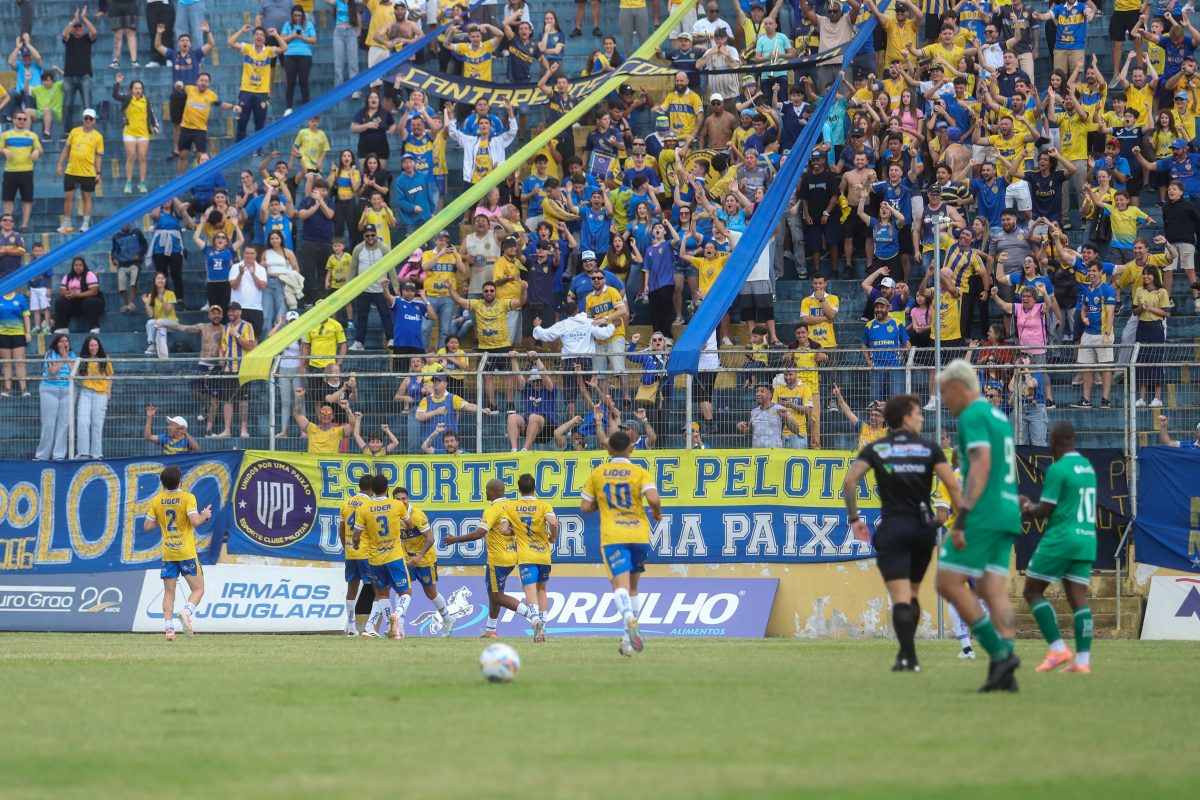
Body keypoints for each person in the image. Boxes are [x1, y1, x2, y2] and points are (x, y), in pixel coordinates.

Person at [843, 394, 962, 672]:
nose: (922, 418)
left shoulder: (878, 449)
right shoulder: (930, 449)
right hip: (923, 529)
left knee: (900, 598)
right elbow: (954, 488)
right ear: (906, 418)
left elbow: (850, 481)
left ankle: (908, 657)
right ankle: (908, 655)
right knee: (914, 594)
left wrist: (854, 518)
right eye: (919, 413)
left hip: (893, 527)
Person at [935, 359, 1024, 693]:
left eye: (945, 393)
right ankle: (1006, 671)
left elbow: (982, 464)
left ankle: (999, 653)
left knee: (947, 580)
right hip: (1007, 509)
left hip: (983, 512)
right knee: (992, 589)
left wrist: (965, 517)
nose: (945, 401)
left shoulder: (971, 414)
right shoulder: (998, 416)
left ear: (958, 387)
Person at [1020, 422, 1097, 675]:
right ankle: (1083, 661)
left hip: (1062, 537)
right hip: (1086, 538)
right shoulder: (1087, 467)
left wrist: (1028, 507)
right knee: (1078, 598)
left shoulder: (1058, 469)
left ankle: (1057, 649)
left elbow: (1045, 510)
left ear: (1054, 442)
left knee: (1032, 591)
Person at [580, 430, 662, 656]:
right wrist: (656, 512)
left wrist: (601, 501)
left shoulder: (598, 473)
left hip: (614, 537)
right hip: (639, 535)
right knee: (634, 588)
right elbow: (654, 498)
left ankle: (628, 618)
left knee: (620, 587)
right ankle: (627, 640)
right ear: (632, 448)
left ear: (608, 449)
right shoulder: (639, 472)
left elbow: (585, 508)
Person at [443, 478, 543, 638]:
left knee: (497, 596)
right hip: (513, 556)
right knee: (494, 594)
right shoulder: (512, 505)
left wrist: (454, 539)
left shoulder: (493, 509)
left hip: (498, 559)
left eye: (487, 490)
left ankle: (534, 617)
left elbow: (479, 533)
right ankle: (491, 630)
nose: (485, 493)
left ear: (493, 492)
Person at [143, 465, 213, 640]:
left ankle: (169, 629)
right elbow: (195, 521)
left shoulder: (157, 500)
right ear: (180, 481)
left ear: (163, 483)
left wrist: (163, 519)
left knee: (169, 592)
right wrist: (205, 514)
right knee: (198, 589)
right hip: (186, 552)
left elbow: (147, 526)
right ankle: (186, 612)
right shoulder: (188, 497)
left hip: (169, 553)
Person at [351, 473, 413, 639]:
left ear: (373, 489)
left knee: (382, 594)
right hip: (394, 556)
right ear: (387, 488)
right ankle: (397, 614)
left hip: (375, 559)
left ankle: (389, 627)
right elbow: (410, 524)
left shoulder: (364, 509)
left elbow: (356, 536)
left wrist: (356, 545)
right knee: (406, 592)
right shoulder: (396, 505)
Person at [393, 486, 455, 638]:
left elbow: (430, 538)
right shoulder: (393, 516)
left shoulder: (418, 516)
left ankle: (448, 620)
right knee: (402, 590)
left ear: (408, 499)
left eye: (404, 499)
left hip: (425, 559)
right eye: (397, 499)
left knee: (431, 593)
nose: (401, 502)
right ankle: (399, 626)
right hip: (406, 559)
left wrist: (419, 556)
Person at [505, 473, 557, 643]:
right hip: (543, 554)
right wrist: (553, 537)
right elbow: (553, 523)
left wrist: (516, 530)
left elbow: (504, 530)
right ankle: (544, 625)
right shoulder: (543, 505)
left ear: (519, 490)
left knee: (529, 590)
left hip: (526, 555)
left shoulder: (511, 507)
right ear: (535, 488)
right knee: (542, 589)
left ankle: (535, 620)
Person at [227, 23, 285, 146]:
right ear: (253, 37)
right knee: (242, 121)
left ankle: (257, 150)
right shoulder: (247, 48)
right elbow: (230, 42)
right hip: (246, 91)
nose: (259, 37)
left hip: (262, 93)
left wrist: (275, 35)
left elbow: (284, 48)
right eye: (257, 34)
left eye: (262, 35)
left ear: (265, 38)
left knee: (260, 123)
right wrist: (242, 30)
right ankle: (239, 148)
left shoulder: (269, 51)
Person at [1070, 262, 1117, 409]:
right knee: (1084, 366)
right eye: (1089, 271)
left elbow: (1110, 314)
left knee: (1105, 367)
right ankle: (1086, 400)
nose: (1090, 273)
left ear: (1100, 272)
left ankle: (1105, 399)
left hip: (1102, 334)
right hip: (1088, 334)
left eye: (1094, 270)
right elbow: (1084, 309)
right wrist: (1084, 318)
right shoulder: (1087, 290)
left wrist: (1107, 334)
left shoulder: (1107, 290)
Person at [55, 106, 103, 233]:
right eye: (86, 118)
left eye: (90, 119)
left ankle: (85, 223)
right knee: (68, 196)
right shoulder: (74, 132)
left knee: (86, 196)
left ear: (94, 121)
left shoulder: (98, 136)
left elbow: (98, 156)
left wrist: (99, 172)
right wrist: (60, 164)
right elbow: (66, 148)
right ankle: (67, 223)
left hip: (87, 171)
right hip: (72, 169)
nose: (88, 121)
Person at [339, 475, 373, 636]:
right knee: (379, 589)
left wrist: (345, 546)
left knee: (352, 589)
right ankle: (371, 627)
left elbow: (341, 528)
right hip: (365, 552)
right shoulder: (370, 504)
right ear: (371, 489)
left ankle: (351, 627)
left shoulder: (346, 503)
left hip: (350, 553)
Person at [0, 110, 43, 231]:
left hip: (26, 171)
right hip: (10, 171)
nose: (22, 121)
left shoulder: (32, 135)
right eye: (19, 119)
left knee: (27, 199)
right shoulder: (6, 135)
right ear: (14, 120)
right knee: (8, 199)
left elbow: (40, 149)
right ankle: (7, 224)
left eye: (24, 119)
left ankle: (24, 225)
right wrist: (4, 150)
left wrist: (36, 151)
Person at [35, 334, 73, 461]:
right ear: (56, 343)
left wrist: (67, 357)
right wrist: (62, 357)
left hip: (67, 390)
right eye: (61, 341)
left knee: (63, 424)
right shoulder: (50, 354)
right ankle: (42, 455)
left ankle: (59, 455)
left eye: (66, 341)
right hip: (50, 389)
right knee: (49, 424)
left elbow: (75, 373)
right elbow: (52, 371)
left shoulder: (72, 355)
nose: (64, 343)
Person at [74, 334, 112, 459]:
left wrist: (108, 391)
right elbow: (76, 375)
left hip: (100, 394)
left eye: (95, 345)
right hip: (85, 392)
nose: (93, 348)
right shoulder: (82, 358)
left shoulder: (104, 358)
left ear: (99, 346)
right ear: (87, 346)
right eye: (91, 345)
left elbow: (109, 375)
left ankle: (97, 454)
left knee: (97, 424)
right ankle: (83, 453)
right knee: (83, 421)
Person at [292, 387, 356, 453]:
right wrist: (299, 398)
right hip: (313, 462)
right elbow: (297, 415)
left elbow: (353, 425)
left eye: (329, 413)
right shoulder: (311, 428)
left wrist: (347, 408)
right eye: (323, 412)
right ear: (319, 415)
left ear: (332, 416)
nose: (326, 415)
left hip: (330, 462)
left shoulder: (338, 431)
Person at [737, 383, 799, 449]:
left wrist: (786, 417)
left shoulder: (780, 409)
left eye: (762, 391)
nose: (758, 394)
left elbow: (796, 430)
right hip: (757, 453)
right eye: (757, 391)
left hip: (774, 453)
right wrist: (742, 428)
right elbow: (750, 433)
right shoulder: (754, 412)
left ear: (770, 395)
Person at [54, 256, 104, 333]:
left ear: (84, 266)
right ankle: (62, 327)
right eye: (76, 265)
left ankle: (95, 327)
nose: (78, 267)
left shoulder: (90, 274)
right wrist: (69, 293)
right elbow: (62, 292)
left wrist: (77, 295)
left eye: (80, 265)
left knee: (89, 301)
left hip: (93, 303)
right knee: (60, 302)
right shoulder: (67, 276)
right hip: (76, 303)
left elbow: (94, 291)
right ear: (73, 266)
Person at [0, 284, 31, 396]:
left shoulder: (20, 298)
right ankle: (7, 389)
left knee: (20, 362)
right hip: (2, 334)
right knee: (6, 363)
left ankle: (24, 389)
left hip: (18, 333)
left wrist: (28, 332)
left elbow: (26, 317)